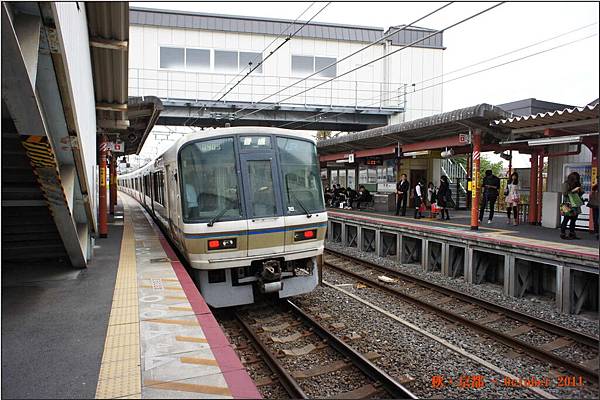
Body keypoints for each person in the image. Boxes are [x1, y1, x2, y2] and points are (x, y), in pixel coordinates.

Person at [560, 172, 584, 240]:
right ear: (572, 179)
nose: (576, 180)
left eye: (577, 179)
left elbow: (580, 194)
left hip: (575, 203)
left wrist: (580, 190)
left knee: (574, 220)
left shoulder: (577, 184)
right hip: (567, 203)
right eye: (575, 179)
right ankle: (563, 234)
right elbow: (564, 193)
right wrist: (572, 190)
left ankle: (572, 234)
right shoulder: (566, 184)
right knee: (566, 219)